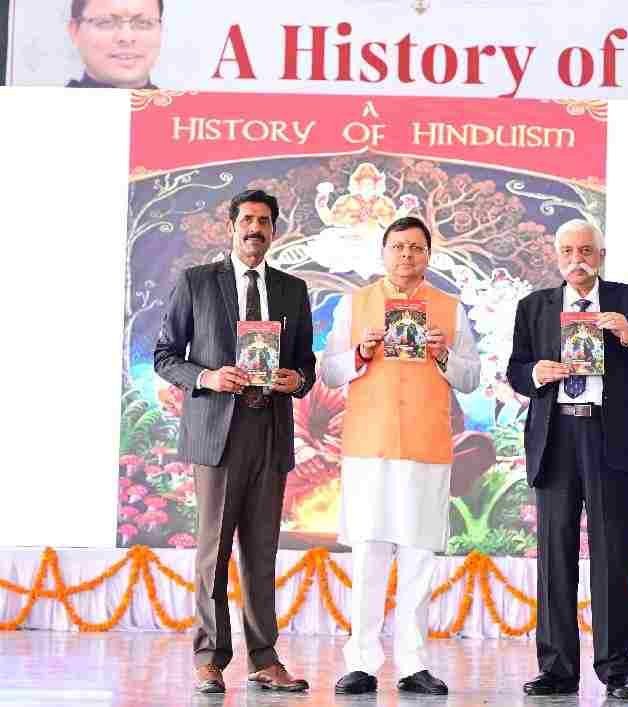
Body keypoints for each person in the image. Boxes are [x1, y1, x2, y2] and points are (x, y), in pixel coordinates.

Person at [155, 189, 316, 694]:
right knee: (214, 551)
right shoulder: (198, 282)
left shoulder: (292, 289)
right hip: (218, 433)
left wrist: (297, 380)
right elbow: (165, 355)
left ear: (274, 230)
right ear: (232, 226)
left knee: (262, 552)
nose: (255, 229)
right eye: (247, 219)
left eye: (264, 221)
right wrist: (207, 378)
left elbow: (306, 364)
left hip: (270, 430)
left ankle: (264, 659)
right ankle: (209, 657)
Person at [507, 219, 628, 701]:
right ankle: (556, 669)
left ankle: (616, 670)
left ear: (600, 255)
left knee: (612, 555)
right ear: (556, 255)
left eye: (585, 251)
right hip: (556, 437)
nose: (576, 260)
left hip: (610, 438)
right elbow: (516, 370)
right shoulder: (534, 306)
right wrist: (535, 372)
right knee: (554, 558)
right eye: (567, 251)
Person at [320, 215, 480, 696]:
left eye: (416, 247)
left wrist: (444, 355)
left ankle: (413, 664)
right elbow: (329, 372)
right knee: (369, 556)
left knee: (418, 558)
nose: (406, 255)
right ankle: (361, 662)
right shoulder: (355, 303)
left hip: (426, 447)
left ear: (429, 255)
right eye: (398, 246)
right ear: (384, 252)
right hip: (369, 447)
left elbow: (471, 378)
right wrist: (360, 353)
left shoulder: (449, 308)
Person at [67, 0, 162, 89]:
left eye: (144, 23)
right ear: (75, 31)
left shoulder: (170, 101)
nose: (126, 38)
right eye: (106, 22)